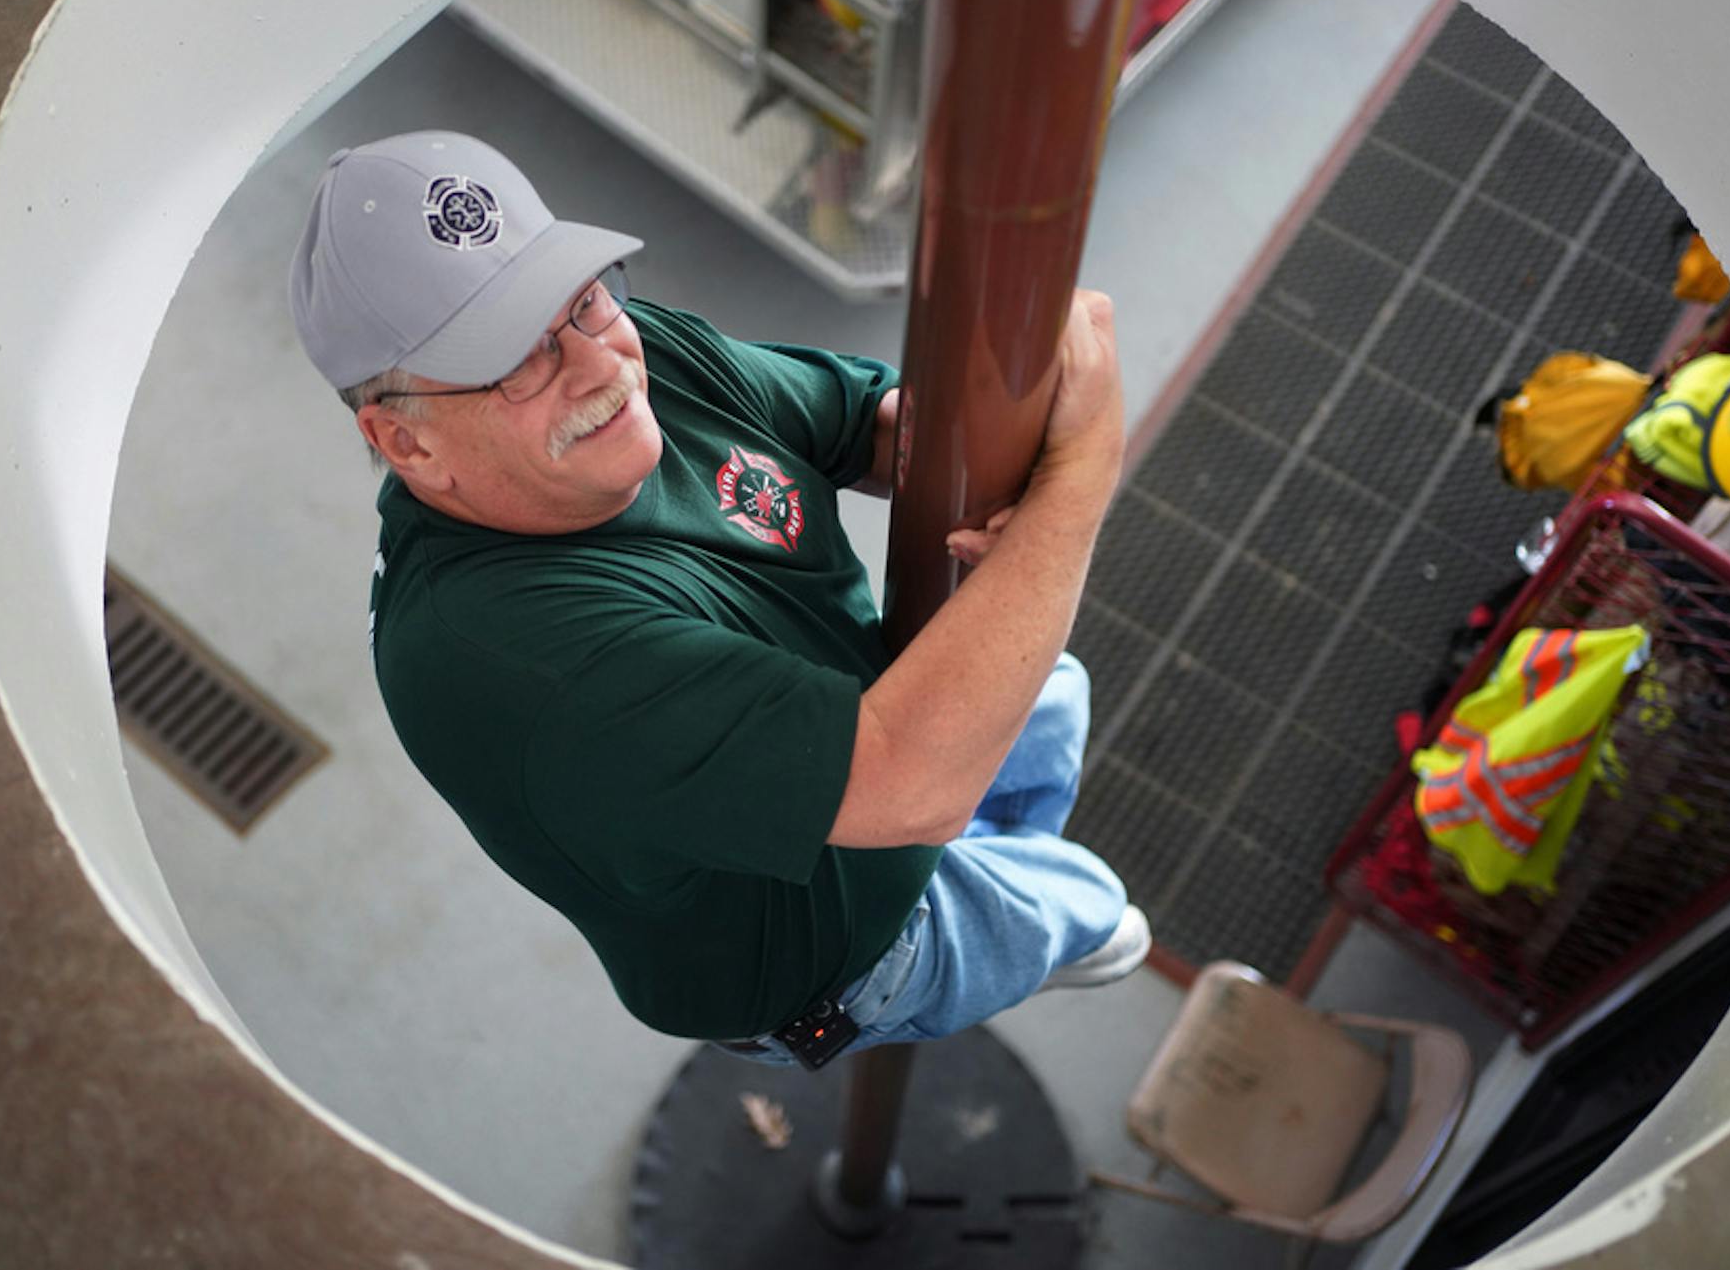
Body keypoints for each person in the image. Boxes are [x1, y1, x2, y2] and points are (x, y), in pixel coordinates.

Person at [289, 130, 1148, 1070]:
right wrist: (1079, 473)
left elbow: (862, 423)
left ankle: (997, 827)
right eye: (516, 361)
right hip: (841, 943)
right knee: (1093, 904)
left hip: (863, 729)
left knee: (1046, 686)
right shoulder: (502, 657)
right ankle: (1028, 914)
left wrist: (995, 441)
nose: (599, 364)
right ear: (407, 444)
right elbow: (907, 780)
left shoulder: (625, 350)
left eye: (579, 298)